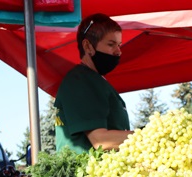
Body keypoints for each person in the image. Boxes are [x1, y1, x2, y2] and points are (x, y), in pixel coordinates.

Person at [54, 13, 133, 154]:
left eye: (119, 45)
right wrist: (148, 136)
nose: (118, 51)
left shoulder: (95, 80)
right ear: (88, 46)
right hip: (86, 174)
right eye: (111, 44)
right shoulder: (80, 81)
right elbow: (100, 140)